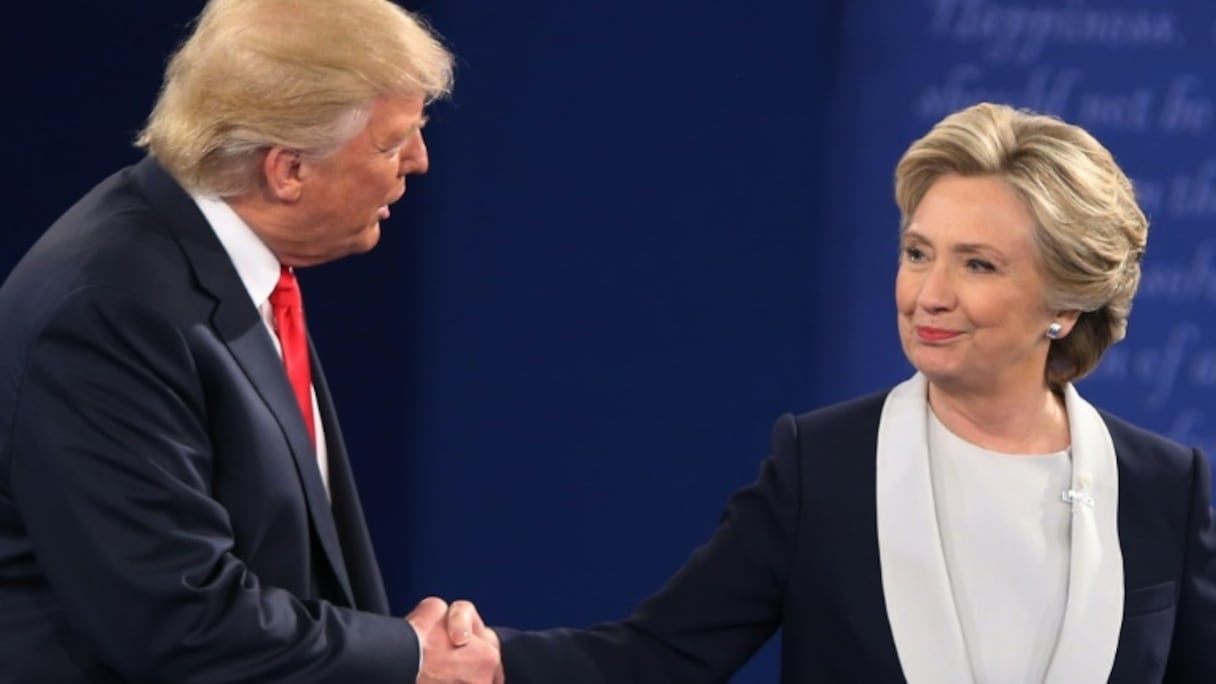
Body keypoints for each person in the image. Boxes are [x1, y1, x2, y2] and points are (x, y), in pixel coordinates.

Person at [487, 102, 1216, 682]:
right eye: (917, 253)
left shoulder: (1163, 489)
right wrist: (479, 663)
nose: (928, 295)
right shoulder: (822, 467)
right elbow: (657, 657)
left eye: (979, 265)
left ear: (1065, 303)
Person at [0, 1, 501, 681]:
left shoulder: (219, 265)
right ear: (287, 169)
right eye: (390, 143)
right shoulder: (110, 310)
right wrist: (411, 658)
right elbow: (177, 621)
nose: (418, 161)